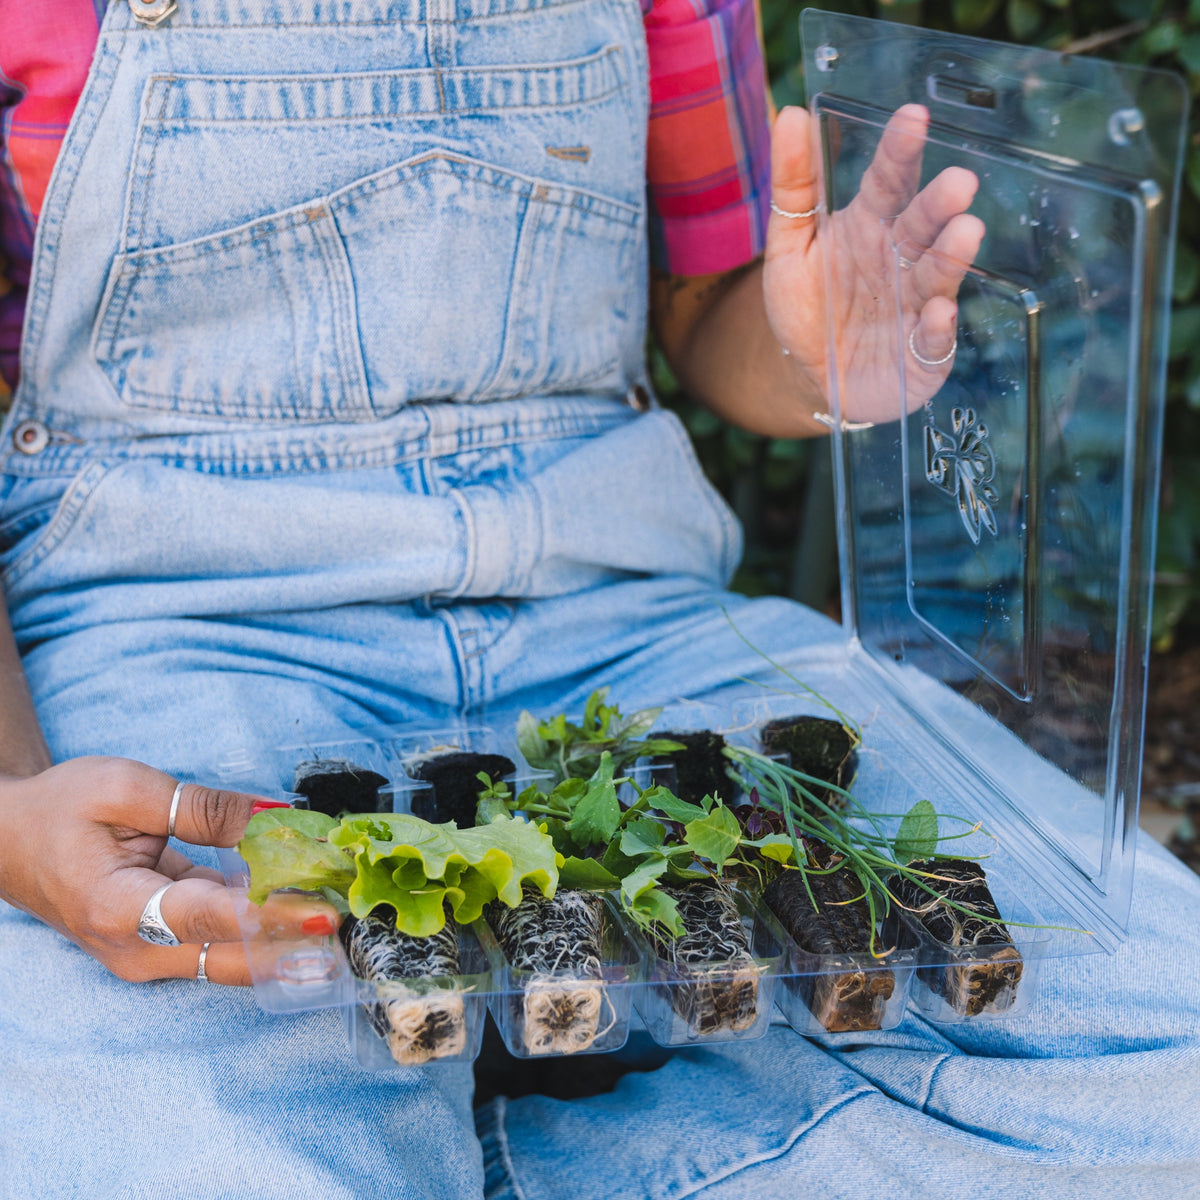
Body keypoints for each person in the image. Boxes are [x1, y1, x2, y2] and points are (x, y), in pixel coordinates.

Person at [0, 2, 1196, 1198]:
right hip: (180, 637)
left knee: (1171, 1082)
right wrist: (10, 811)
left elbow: (703, 314)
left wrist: (811, 352)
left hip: (628, 623)